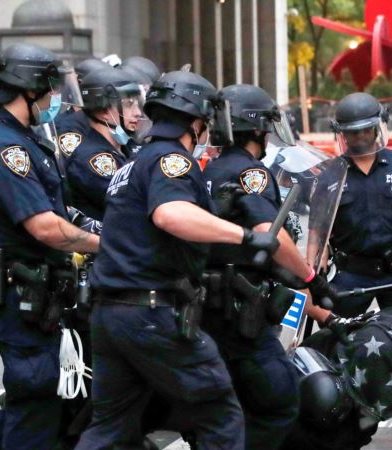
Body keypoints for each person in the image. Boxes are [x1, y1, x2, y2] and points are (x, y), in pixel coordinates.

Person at [74, 70, 280, 450]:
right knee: (220, 411)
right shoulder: (173, 160)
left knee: (110, 427)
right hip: (150, 312)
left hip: (110, 314)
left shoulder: (132, 163)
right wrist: (247, 235)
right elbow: (170, 215)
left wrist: (209, 211)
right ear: (199, 120)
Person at [0, 42, 100, 450]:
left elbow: (56, 210)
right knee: (37, 389)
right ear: (31, 88)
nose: (54, 99)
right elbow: (44, 228)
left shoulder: (18, 137)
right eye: (51, 90)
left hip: (32, 287)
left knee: (36, 392)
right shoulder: (3, 146)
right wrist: (105, 245)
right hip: (15, 289)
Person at [201, 83, 336, 450]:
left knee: (222, 409)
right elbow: (268, 233)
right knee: (279, 401)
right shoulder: (252, 173)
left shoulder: (206, 170)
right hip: (243, 312)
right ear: (257, 128)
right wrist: (311, 278)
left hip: (206, 309)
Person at [305, 92, 392, 441]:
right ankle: (333, 407)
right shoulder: (330, 176)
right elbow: (319, 231)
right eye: (351, 133)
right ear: (342, 134)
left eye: (365, 131)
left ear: (377, 128)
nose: (359, 138)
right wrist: (312, 273)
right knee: (332, 337)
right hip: (352, 277)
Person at [284, 277, 392, 449]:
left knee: (360, 430)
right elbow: (378, 403)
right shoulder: (385, 347)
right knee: (335, 414)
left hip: (357, 408)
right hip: (323, 404)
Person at [61, 67, 144, 222]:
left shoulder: (128, 147)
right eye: (128, 104)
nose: (137, 112)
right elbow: (133, 204)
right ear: (104, 110)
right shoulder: (92, 158)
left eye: (137, 104)